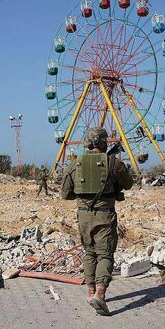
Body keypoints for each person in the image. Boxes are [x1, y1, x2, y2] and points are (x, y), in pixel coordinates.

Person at [61, 127, 133, 316]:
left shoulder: (75, 164)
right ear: (103, 142)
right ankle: (100, 295)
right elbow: (128, 184)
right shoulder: (113, 163)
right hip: (105, 215)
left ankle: (90, 292)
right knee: (105, 254)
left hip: (84, 217)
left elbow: (65, 193)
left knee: (90, 253)